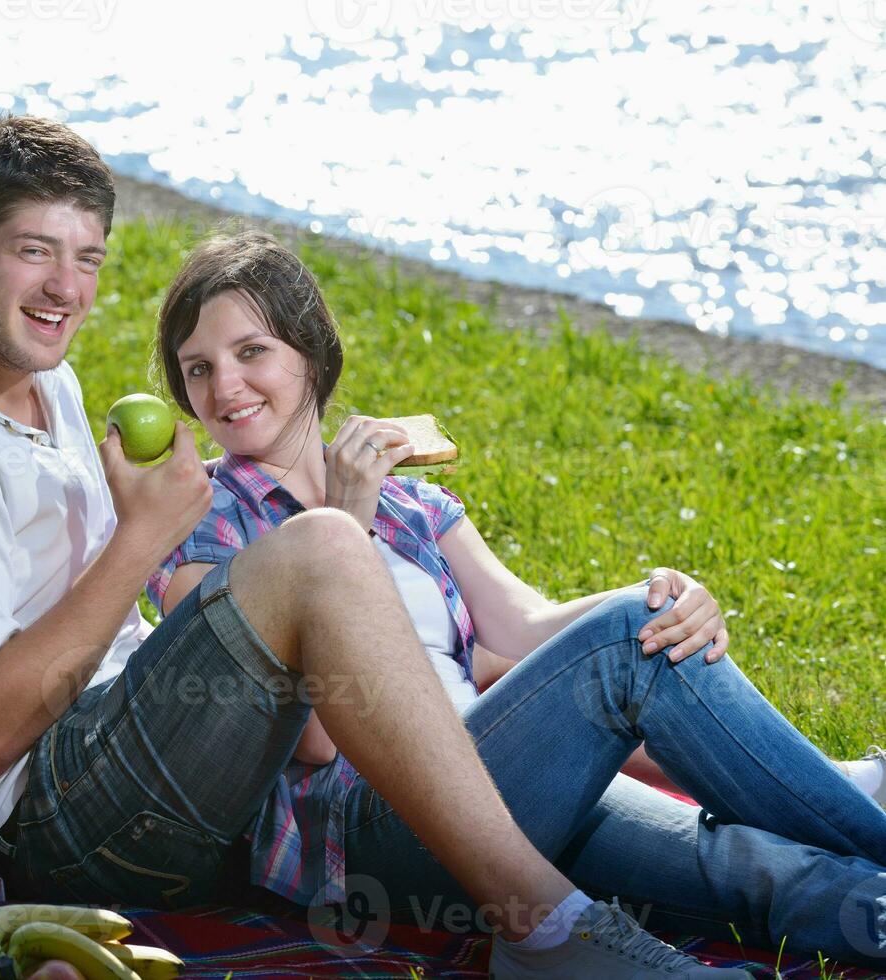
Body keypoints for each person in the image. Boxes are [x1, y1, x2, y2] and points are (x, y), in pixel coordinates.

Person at [0, 112, 754, 978]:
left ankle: (814, 823)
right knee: (320, 551)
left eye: (86, 259)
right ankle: (543, 927)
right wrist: (143, 542)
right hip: (51, 830)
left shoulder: (35, 381)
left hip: (150, 758)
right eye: (34, 252)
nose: (67, 289)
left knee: (665, 805)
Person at [144, 227, 886, 970]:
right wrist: (343, 524)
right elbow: (311, 742)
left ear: (310, 352)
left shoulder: (410, 502)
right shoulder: (200, 523)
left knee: (751, 868)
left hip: (508, 781)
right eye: (198, 368)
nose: (225, 388)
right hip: (377, 833)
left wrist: (665, 593)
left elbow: (528, 627)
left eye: (251, 352)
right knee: (628, 637)